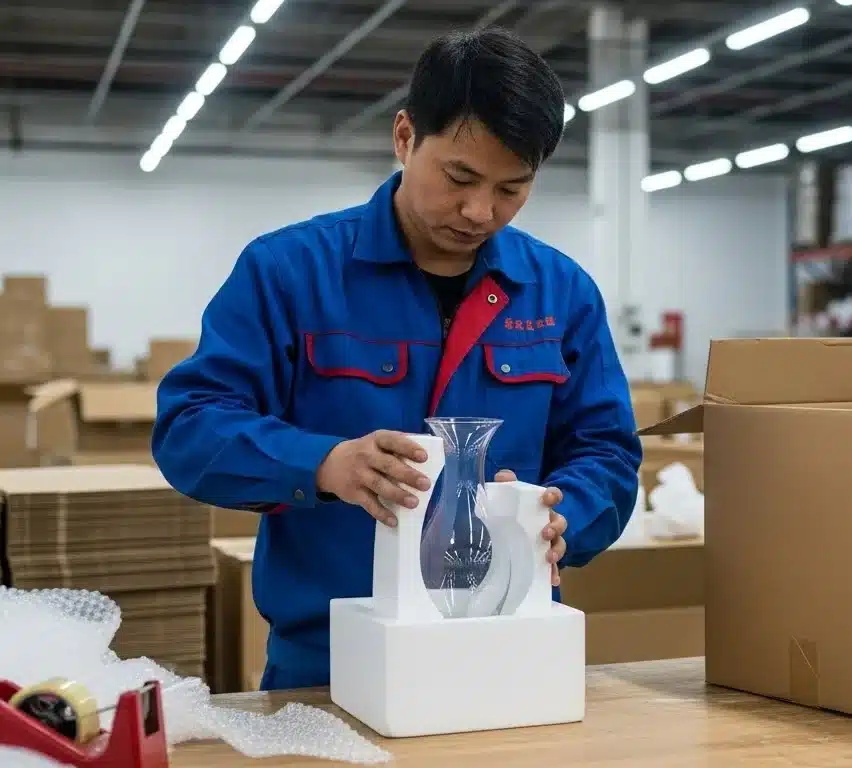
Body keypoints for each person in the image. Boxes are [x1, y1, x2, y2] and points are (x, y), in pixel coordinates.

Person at [152, 27, 643, 691]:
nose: (479, 211)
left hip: (507, 655)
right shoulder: (290, 272)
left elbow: (607, 454)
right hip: (328, 663)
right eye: (460, 177)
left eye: (511, 188)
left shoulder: (560, 293)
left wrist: (566, 516)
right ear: (406, 136)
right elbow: (190, 429)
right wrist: (324, 464)